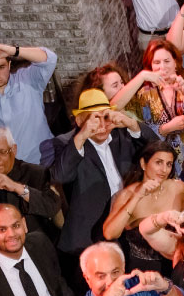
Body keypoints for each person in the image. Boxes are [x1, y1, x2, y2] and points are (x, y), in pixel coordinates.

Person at [51, 89, 150, 261]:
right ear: (80, 120)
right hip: (90, 237)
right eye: (94, 119)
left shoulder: (123, 136)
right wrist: (82, 135)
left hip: (129, 227)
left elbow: (161, 153)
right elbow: (60, 176)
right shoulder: (69, 144)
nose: (102, 125)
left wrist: (133, 125)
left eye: (106, 117)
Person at [111, 41, 184, 177]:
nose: (162, 67)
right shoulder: (144, 94)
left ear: (175, 62)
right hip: (165, 165)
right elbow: (114, 107)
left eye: (167, 61)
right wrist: (165, 129)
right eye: (156, 62)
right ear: (150, 66)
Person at [101, 140, 184, 276]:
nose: (164, 170)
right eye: (158, 162)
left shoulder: (178, 187)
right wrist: (137, 196)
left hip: (176, 266)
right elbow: (109, 233)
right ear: (143, 164)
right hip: (141, 271)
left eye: (169, 164)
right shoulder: (127, 195)